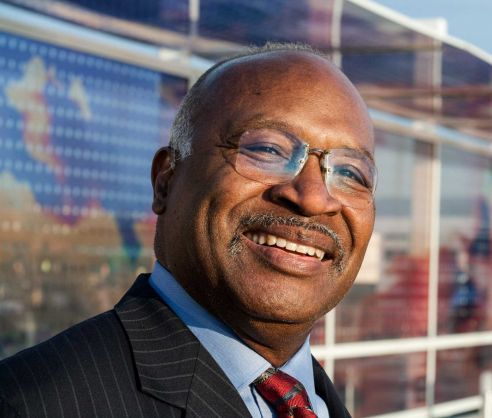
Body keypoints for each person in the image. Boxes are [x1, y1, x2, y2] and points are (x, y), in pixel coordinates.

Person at [0, 43, 377, 418]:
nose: (313, 198)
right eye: (267, 150)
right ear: (165, 181)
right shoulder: (30, 404)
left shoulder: (319, 405)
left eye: (350, 172)